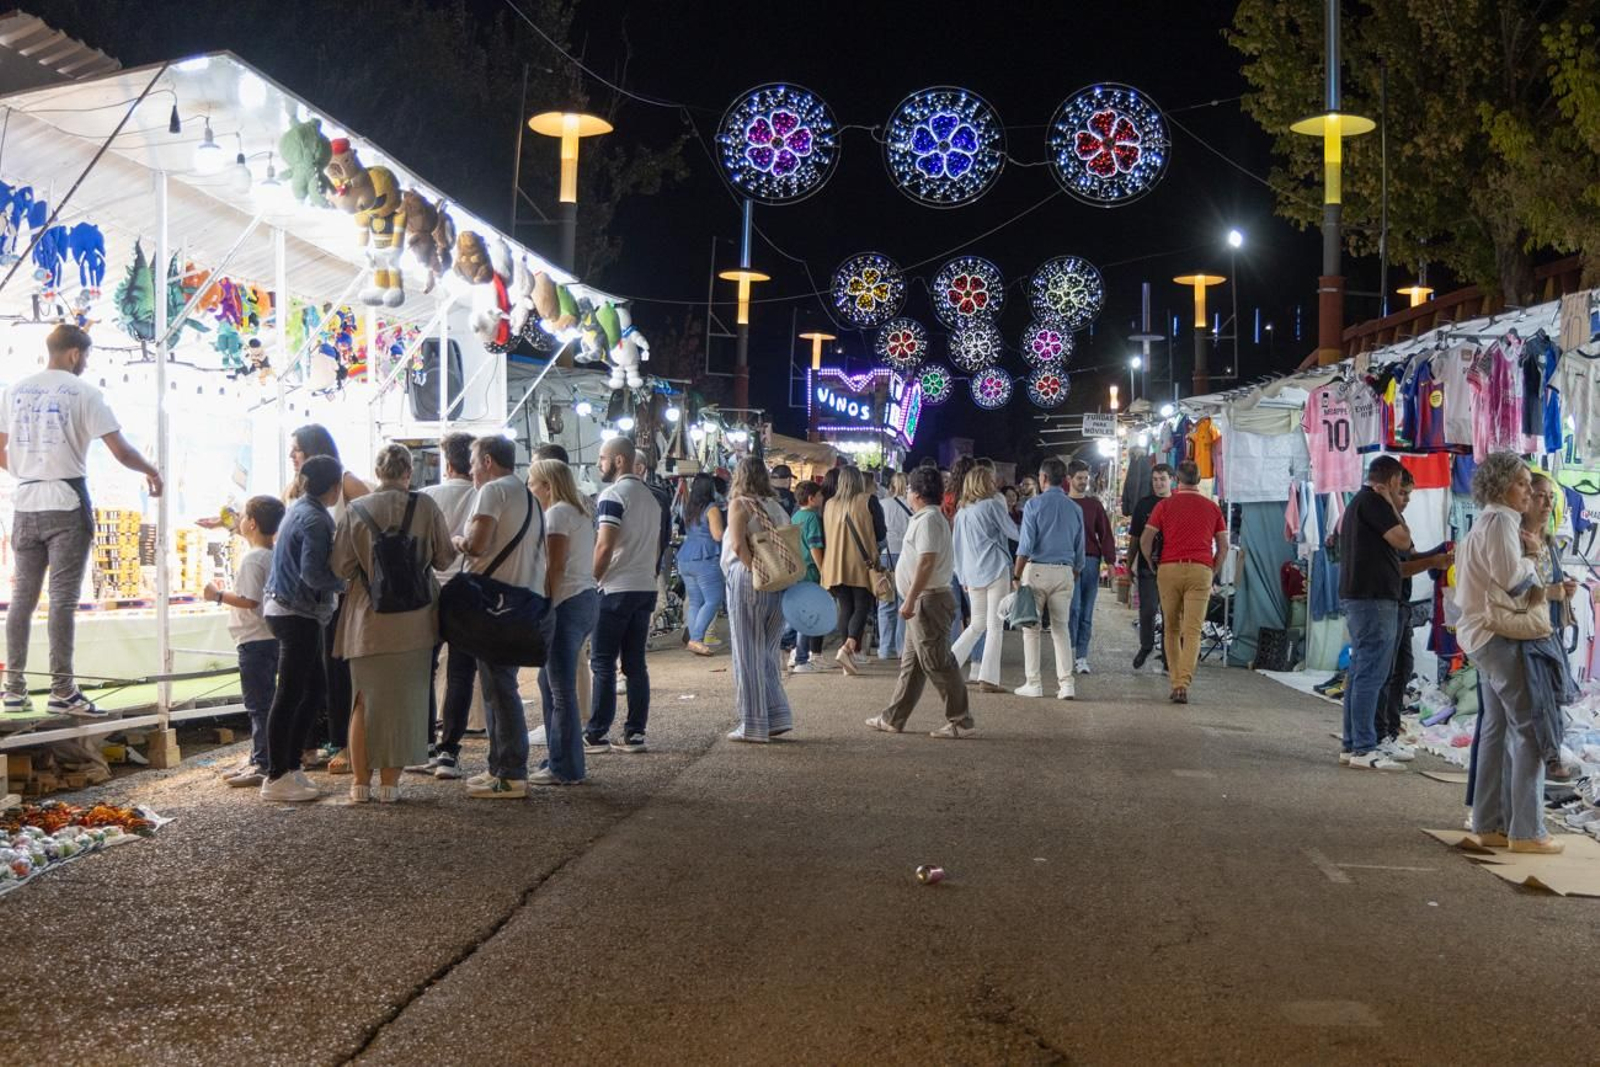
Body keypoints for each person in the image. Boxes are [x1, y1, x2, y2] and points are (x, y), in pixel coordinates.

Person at [0, 324, 163, 717]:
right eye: (85, 357)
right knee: (62, 600)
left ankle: (14, 688)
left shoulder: (15, 390)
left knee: (22, 599)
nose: (85, 364)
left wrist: (29, 469)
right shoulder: (86, 394)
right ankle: (62, 691)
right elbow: (121, 452)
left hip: (25, 501)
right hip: (67, 501)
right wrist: (152, 472)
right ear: (74, 353)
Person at [332, 445, 455, 803]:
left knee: (363, 702)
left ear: (377, 471)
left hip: (366, 622)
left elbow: (340, 567)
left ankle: (359, 783)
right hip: (415, 622)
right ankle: (390, 784)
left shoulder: (355, 510)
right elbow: (445, 557)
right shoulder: (426, 507)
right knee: (405, 703)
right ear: (408, 474)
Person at [1457, 454, 1567, 853]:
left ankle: (1489, 823)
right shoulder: (1503, 520)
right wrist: (1534, 555)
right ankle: (1527, 831)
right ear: (1504, 485)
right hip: (1499, 634)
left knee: (1496, 730)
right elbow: (1512, 579)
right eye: (1522, 483)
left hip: (1479, 634)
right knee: (1531, 731)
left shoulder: (1483, 519)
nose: (1528, 492)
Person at [454, 435, 546, 797]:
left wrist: (459, 540)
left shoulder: (493, 492)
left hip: (494, 600)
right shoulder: (529, 495)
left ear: (489, 461)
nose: (472, 469)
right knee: (496, 685)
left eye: (475, 461)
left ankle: (511, 772)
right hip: (521, 597)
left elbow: (478, 542)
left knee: (500, 688)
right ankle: (498, 766)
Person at [260, 456, 346, 802]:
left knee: (311, 690)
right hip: (298, 613)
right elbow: (313, 574)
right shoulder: (315, 520)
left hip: (288, 609)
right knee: (292, 694)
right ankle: (277, 773)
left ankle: (290, 766)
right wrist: (345, 582)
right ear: (335, 487)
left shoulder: (297, 508)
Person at [283, 424, 369, 773]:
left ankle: (343, 742)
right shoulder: (295, 489)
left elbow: (374, 518)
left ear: (314, 451)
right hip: (302, 596)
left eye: (297, 450)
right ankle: (308, 743)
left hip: (336, 589)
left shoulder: (347, 482)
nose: (291, 456)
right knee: (308, 673)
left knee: (335, 670)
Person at [865, 466, 974, 738]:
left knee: (937, 662)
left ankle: (960, 719)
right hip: (925, 600)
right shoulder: (929, 518)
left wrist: (910, 599)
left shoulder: (928, 520)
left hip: (929, 600)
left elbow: (926, 562)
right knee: (913, 665)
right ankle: (894, 717)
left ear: (915, 493)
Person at [1332, 455, 1412, 767]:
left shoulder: (1357, 504)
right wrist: (1392, 506)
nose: (1401, 494)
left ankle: (1353, 744)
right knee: (1370, 674)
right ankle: (1364, 747)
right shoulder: (1376, 503)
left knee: (1361, 672)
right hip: (1373, 599)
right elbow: (1403, 541)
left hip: (1362, 597)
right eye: (1400, 487)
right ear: (1393, 481)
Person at [584, 436, 662, 754]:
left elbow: (605, 544)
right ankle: (635, 733)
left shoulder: (613, 495)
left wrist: (592, 579)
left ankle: (597, 733)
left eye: (603, 458)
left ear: (619, 460)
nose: (599, 464)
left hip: (616, 587)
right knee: (635, 663)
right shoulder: (651, 498)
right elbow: (656, 546)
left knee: (602, 661)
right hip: (645, 585)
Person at [205, 495, 285, 787]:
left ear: (252, 523)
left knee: (258, 704)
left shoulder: (254, 559)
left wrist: (216, 595)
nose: (238, 521)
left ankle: (263, 761)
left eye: (243, 517)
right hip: (269, 636)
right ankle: (261, 756)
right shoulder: (272, 553)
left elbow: (249, 600)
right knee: (266, 701)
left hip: (254, 639)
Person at [528, 457, 598, 785]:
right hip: (585, 598)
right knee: (550, 682)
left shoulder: (556, 514)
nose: (529, 488)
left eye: (532, 482)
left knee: (560, 689)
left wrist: (546, 606)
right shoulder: (580, 512)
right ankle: (558, 757)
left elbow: (555, 566)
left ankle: (565, 767)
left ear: (547, 486)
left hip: (566, 601)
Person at [1377, 471, 1455, 763]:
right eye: (1402, 493)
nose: (1407, 500)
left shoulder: (1398, 524)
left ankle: (1388, 730)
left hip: (1400, 604)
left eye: (1410, 494)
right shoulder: (1389, 526)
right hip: (1389, 603)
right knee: (1387, 672)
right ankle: (1379, 734)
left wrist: (1438, 556)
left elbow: (1410, 558)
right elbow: (1399, 568)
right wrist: (1434, 561)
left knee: (1401, 668)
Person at [413, 431, 477, 779]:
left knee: (425, 669)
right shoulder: (485, 496)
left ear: (447, 462)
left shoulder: (425, 497)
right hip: (467, 592)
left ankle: (422, 744)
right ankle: (449, 750)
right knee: (461, 674)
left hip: (429, 591)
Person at [1140, 461, 1228, 706]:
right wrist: (1213, 569)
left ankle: (1175, 682)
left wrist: (1150, 562)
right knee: (1193, 631)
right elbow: (1223, 547)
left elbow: (1146, 541)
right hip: (1200, 570)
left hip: (1168, 568)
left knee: (1171, 627)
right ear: (1198, 480)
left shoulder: (1164, 505)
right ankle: (1182, 684)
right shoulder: (1213, 508)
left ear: (1177, 480)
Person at [722, 458, 795, 742]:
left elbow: (738, 545)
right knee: (767, 650)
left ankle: (752, 724)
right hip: (779, 581)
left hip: (750, 579)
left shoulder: (740, 504)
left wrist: (755, 570)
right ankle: (777, 715)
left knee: (747, 652)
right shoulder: (776, 506)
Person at [1012, 458, 1084, 700]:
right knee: (1061, 629)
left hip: (1037, 571)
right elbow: (1080, 550)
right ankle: (1067, 684)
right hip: (1065, 571)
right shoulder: (1075, 508)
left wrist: (1016, 574)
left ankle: (1034, 683)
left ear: (1043, 478)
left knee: (1031, 629)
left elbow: (1025, 545)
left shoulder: (1034, 505)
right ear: (1065, 480)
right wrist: (1072, 573)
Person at [1521, 470, 1577, 779]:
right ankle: (1551, 756)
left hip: (1551, 628)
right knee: (1540, 696)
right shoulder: (1517, 539)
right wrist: (1551, 593)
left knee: (1555, 696)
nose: (1546, 503)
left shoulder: (1550, 541)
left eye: (1550, 497)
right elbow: (1514, 590)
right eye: (1540, 496)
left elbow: (1550, 582)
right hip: (1529, 630)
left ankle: (1553, 754)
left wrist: (1563, 589)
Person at [951, 466, 1019, 692]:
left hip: (972, 573)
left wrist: (961, 576)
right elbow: (1012, 532)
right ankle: (988, 678)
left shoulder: (961, 512)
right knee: (995, 625)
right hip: (996, 568)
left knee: (977, 624)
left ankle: (948, 665)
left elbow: (956, 548)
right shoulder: (992, 505)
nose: (995, 482)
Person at [821, 466, 884, 675]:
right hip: (860, 563)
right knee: (862, 605)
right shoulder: (868, 500)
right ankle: (847, 648)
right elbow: (881, 532)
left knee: (845, 607)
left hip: (833, 563)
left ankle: (847, 657)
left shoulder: (829, 503)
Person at [1066, 460, 1115, 676]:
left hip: (1092, 561)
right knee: (1073, 609)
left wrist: (1111, 562)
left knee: (1086, 612)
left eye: (1086, 478)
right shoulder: (1064, 504)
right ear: (1069, 479)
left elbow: (1105, 534)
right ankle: (1068, 651)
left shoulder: (1094, 505)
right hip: (1069, 564)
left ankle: (1081, 657)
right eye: (1080, 478)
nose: (1084, 482)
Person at [1127, 463, 1173, 670]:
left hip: (1172, 567)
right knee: (1148, 610)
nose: (1158, 483)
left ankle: (1167, 655)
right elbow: (1135, 537)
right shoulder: (1144, 505)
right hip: (1147, 567)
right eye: (1155, 479)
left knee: (1170, 613)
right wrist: (1130, 563)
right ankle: (1146, 646)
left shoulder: (1177, 503)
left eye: (1162, 479)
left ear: (1171, 479)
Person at [677, 473, 725, 656]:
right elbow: (717, 535)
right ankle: (696, 639)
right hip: (705, 558)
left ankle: (693, 639)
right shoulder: (711, 508)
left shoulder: (690, 507)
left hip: (686, 557)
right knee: (713, 599)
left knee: (696, 601)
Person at [789, 479, 829, 674]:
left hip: (797, 570)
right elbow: (814, 546)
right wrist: (824, 571)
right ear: (812, 499)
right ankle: (802, 659)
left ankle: (794, 653)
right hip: (811, 572)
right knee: (808, 617)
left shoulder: (796, 517)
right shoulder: (812, 518)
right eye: (820, 496)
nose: (822, 499)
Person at [877, 471, 912, 662]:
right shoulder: (912, 506)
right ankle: (902, 648)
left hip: (886, 555)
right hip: (906, 556)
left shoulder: (883, 504)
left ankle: (884, 648)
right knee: (904, 603)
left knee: (885, 603)